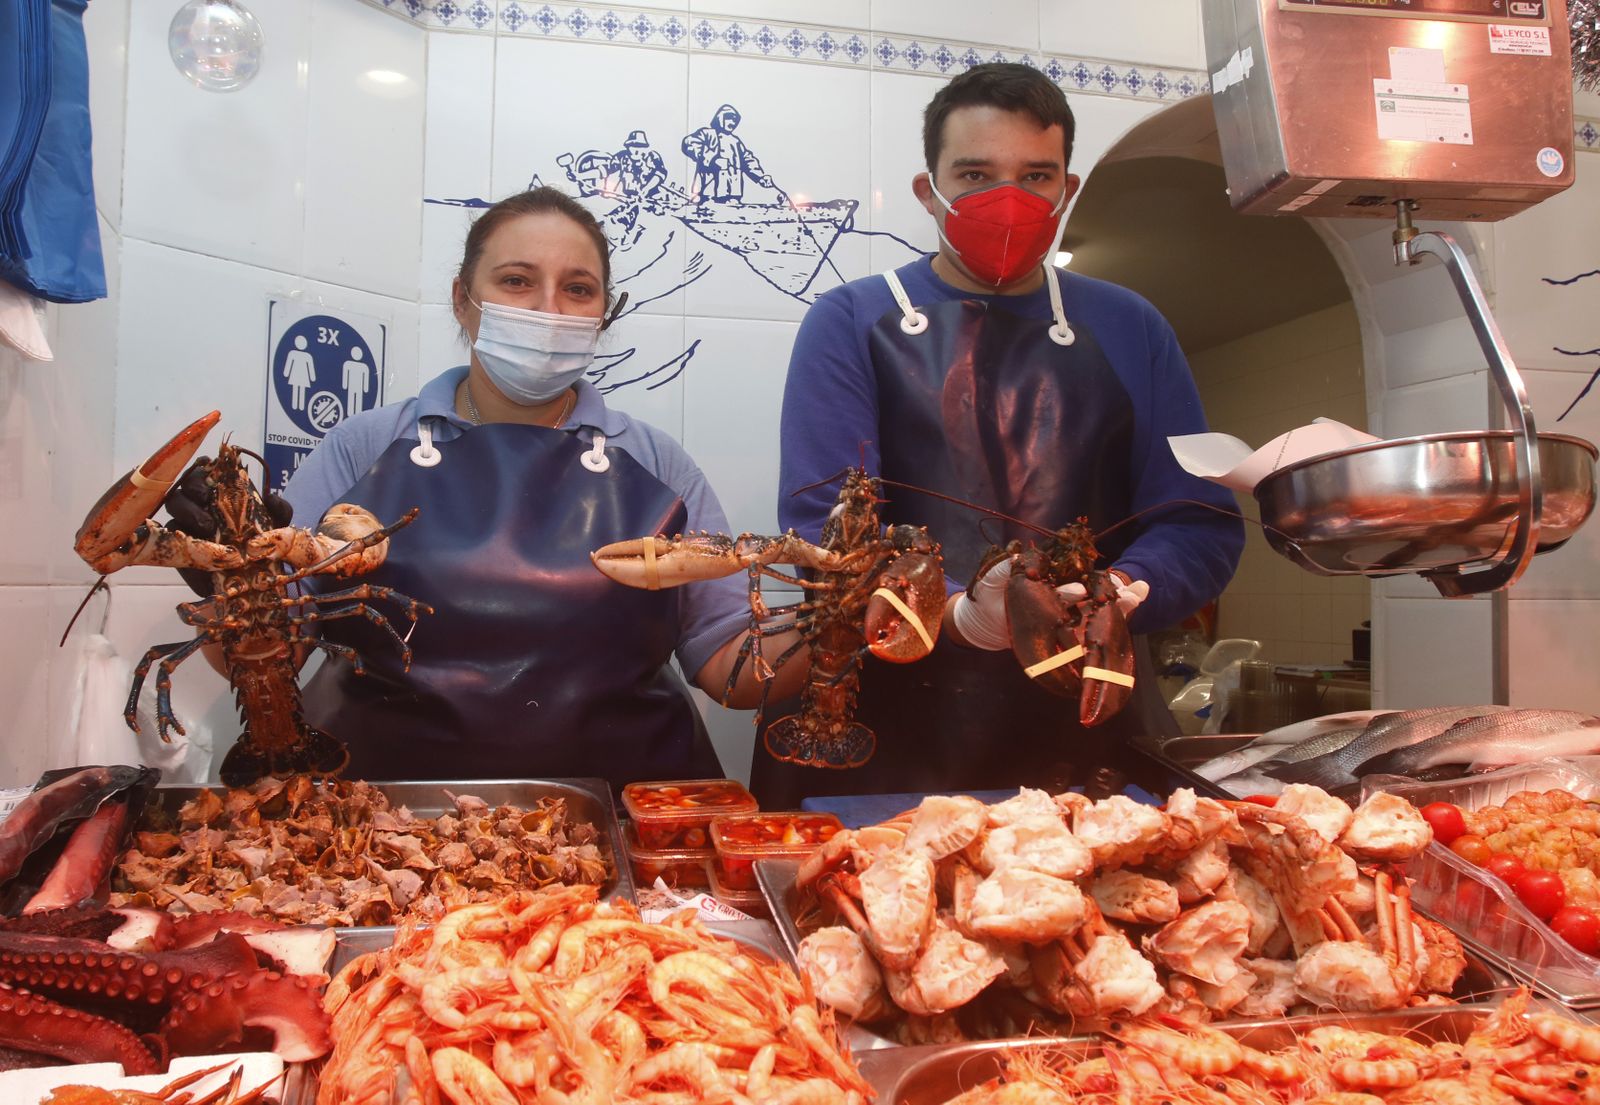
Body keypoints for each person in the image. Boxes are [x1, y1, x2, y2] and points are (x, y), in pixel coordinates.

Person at [178, 187, 803, 784]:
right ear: (462, 298)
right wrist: (228, 584)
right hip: (381, 811)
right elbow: (271, 657)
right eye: (516, 281)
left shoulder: (655, 462)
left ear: (604, 314)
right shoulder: (364, 448)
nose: (548, 309)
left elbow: (733, 667)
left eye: (578, 289)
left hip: (621, 811)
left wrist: (838, 617)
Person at [756, 63, 1245, 805]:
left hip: (1084, 724)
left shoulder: (1133, 325)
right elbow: (825, 532)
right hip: (886, 733)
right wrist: (955, 612)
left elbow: (1197, 521)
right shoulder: (849, 319)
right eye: (976, 175)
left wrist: (1123, 590)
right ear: (930, 191)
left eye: (1035, 176)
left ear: (1067, 190)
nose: (1007, 199)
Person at [682, 105, 772, 204]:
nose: (732, 122)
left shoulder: (735, 141)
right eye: (729, 118)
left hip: (734, 192)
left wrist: (760, 177)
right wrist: (710, 160)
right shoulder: (708, 133)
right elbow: (690, 143)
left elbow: (748, 159)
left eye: (735, 120)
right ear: (720, 118)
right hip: (708, 190)